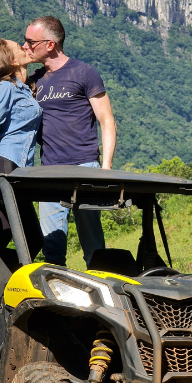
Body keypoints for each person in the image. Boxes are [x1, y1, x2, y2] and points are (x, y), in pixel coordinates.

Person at [24, 16, 117, 268]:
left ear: (50, 44)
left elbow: (106, 121)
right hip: (49, 172)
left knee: (93, 245)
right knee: (52, 248)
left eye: (31, 42)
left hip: (86, 167)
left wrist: (105, 168)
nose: (26, 46)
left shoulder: (84, 73)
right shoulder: (34, 80)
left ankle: (103, 295)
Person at [0, 39, 42, 254]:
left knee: (4, 232)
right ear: (12, 60)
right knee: (30, 237)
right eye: (20, 48)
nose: (25, 47)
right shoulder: (5, 88)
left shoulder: (27, 89)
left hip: (20, 168)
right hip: (6, 165)